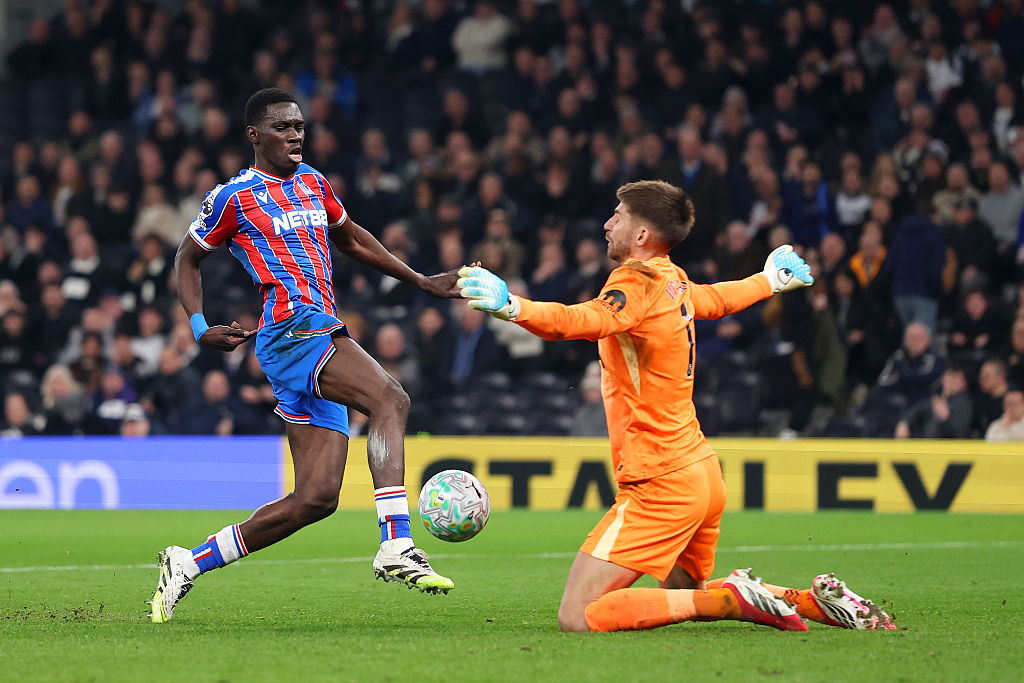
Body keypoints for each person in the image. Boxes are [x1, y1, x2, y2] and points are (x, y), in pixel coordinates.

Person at [458, 180, 893, 633]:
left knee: (580, 617)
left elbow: (586, 320)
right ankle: (812, 602)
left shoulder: (634, 281)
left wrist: (514, 307)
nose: (608, 224)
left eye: (618, 216)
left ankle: (736, 601)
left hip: (659, 479)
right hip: (701, 474)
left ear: (642, 235)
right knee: (683, 596)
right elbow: (718, 300)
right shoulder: (674, 279)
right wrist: (769, 281)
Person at [150, 88, 459, 624]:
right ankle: (396, 543)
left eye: (299, 125)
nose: (296, 134)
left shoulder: (314, 183)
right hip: (292, 332)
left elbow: (353, 239)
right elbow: (187, 258)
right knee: (390, 398)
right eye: (282, 127)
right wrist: (199, 327)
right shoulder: (233, 197)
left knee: (316, 498)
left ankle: (188, 562)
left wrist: (419, 280)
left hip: (317, 333)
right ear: (254, 135)